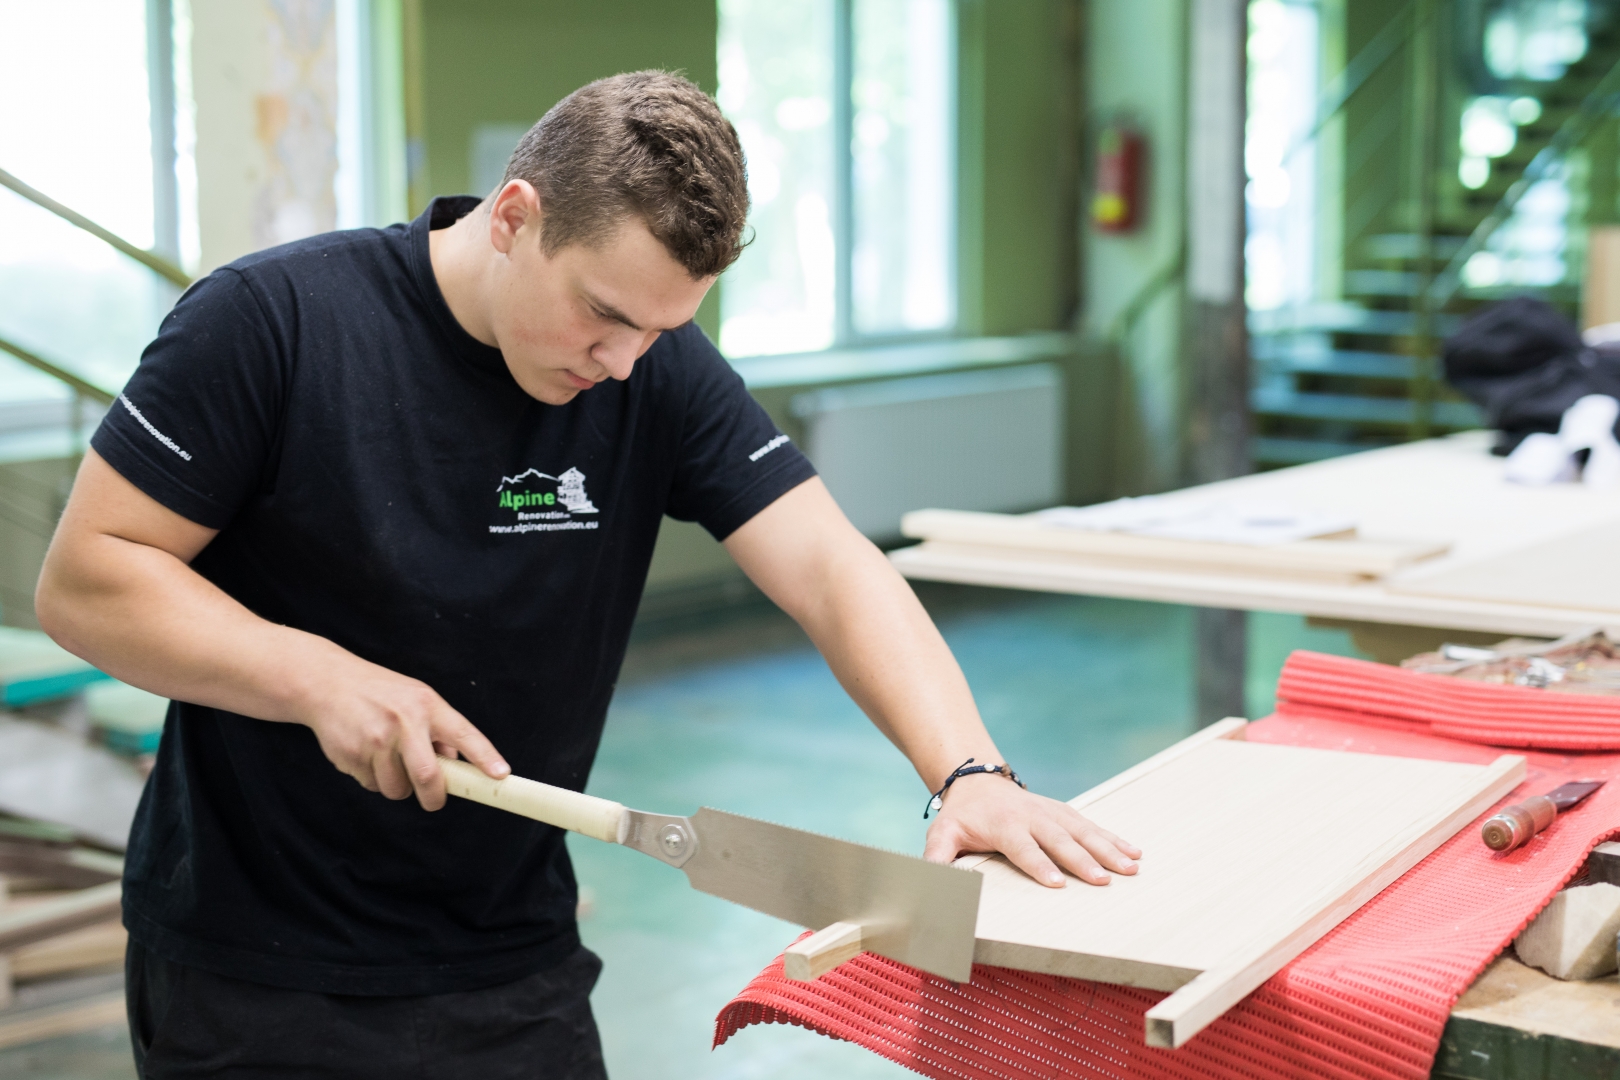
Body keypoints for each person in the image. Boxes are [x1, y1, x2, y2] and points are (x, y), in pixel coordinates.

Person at [35, 71, 1139, 1078]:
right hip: (254, 971)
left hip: (511, 958)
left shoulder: (651, 365)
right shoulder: (270, 322)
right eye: (605, 315)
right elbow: (87, 579)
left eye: (661, 330)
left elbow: (828, 566)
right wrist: (319, 679)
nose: (621, 364)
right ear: (514, 218)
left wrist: (969, 773)